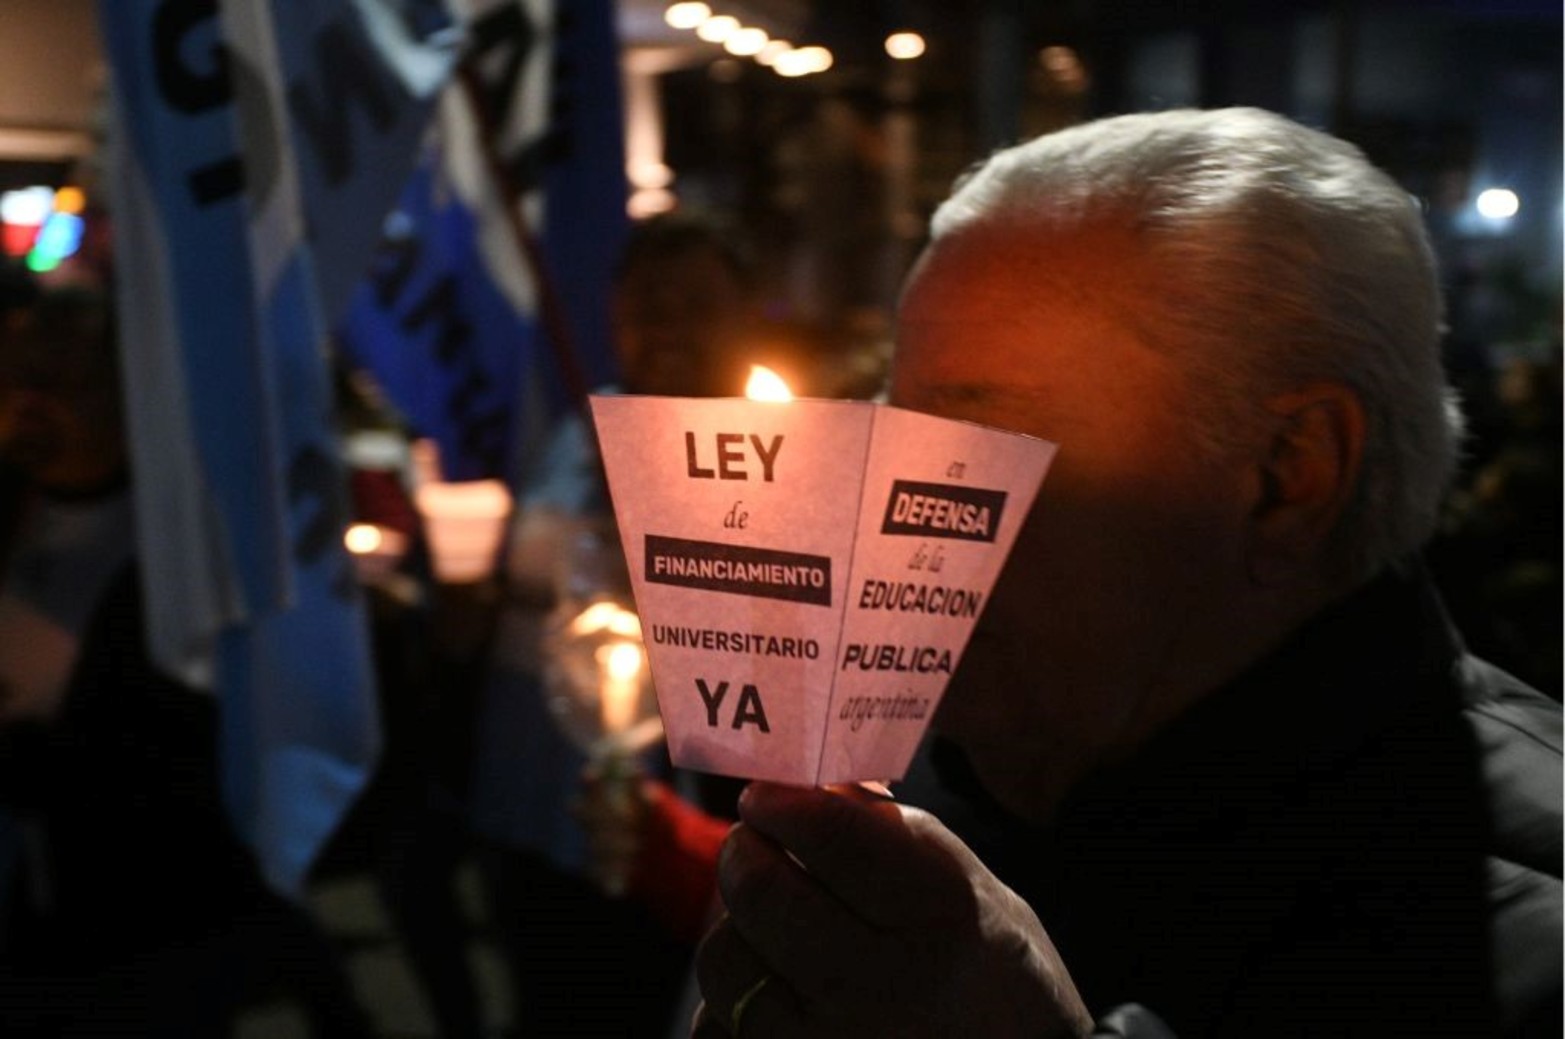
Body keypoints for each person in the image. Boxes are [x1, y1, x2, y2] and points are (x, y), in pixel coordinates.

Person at [690, 108, 1562, 1037]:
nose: (880, 516)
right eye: (888, 433)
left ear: (1286, 473)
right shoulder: (904, 804)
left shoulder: (1521, 941)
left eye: (970, 444)